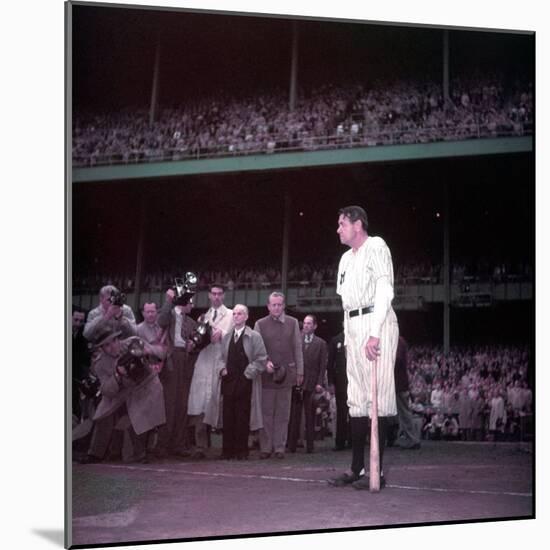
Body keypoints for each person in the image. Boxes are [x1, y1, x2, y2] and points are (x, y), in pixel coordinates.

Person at [329, 205, 399, 490]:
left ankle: (376, 471)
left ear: (357, 224)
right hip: (353, 324)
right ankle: (357, 468)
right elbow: (345, 304)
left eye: (342, 223)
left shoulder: (377, 245)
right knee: (356, 398)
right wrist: (349, 337)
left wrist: (374, 334)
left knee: (377, 396)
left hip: (376, 321)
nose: (338, 229)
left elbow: (385, 289)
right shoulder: (345, 259)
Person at [79, 328, 165, 464]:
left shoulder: (134, 343)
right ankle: (94, 453)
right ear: (102, 348)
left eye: (113, 342)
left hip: (145, 388)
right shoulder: (100, 364)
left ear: (117, 339)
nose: (111, 347)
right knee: (102, 416)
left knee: (138, 417)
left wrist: (148, 351)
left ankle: (140, 453)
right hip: (120, 393)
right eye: (106, 345)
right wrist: (117, 375)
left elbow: (161, 352)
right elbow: (106, 390)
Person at [206, 304, 267, 459]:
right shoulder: (226, 337)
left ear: (246, 317)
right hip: (228, 381)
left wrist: (249, 373)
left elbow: (261, 359)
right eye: (234, 314)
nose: (236, 316)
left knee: (242, 417)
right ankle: (227, 451)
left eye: (240, 314)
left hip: (245, 382)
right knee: (228, 417)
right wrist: (222, 369)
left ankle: (241, 451)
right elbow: (219, 358)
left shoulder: (254, 336)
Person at [254, 292, 304, 459]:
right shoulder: (259, 324)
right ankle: (266, 447)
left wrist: (300, 372)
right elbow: (256, 349)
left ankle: (279, 448)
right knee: (266, 413)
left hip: (287, 375)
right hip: (266, 375)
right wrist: (264, 362)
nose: (276, 307)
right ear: (268, 306)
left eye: (279, 304)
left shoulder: (293, 323)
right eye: (273, 304)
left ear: (283, 306)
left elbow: (298, 348)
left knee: (283, 413)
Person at [187, 284, 233, 459]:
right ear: (208, 295)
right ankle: (200, 446)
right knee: (200, 404)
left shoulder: (230, 315)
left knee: (217, 404)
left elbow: (233, 334)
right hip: (204, 361)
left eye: (219, 294)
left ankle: (227, 446)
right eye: (213, 294)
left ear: (224, 296)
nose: (216, 297)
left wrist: (222, 333)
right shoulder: (203, 317)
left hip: (221, 361)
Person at [155, 289, 198, 459]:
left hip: (184, 360)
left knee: (182, 404)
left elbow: (197, 340)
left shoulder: (191, 322)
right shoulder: (170, 314)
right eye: (191, 302)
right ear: (185, 303)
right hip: (170, 359)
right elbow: (161, 320)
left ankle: (178, 445)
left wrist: (193, 345)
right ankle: (162, 445)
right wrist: (168, 300)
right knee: (169, 404)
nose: (193, 305)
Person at [288, 315, 327, 454]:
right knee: (294, 416)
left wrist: (319, 383)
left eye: (309, 323)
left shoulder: (321, 343)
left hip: (311, 384)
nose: (306, 326)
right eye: (304, 323)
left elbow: (323, 366)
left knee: (310, 416)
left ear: (315, 326)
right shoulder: (296, 340)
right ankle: (291, 446)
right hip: (296, 383)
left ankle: (310, 446)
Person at [394, 336, 421, 450]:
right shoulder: (398, 340)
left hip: (399, 383)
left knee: (404, 412)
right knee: (397, 414)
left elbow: (397, 359)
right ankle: (400, 437)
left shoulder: (397, 341)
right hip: (398, 383)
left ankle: (413, 439)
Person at [327, 330, 351, 451]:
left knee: (355, 412)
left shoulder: (357, 336)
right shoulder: (336, 340)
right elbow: (330, 363)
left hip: (355, 381)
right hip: (340, 382)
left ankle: (353, 441)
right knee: (341, 412)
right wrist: (330, 382)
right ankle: (340, 442)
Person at [136, 302, 166, 370]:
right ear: (143, 313)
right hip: (146, 368)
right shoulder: (137, 330)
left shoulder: (163, 327)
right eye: (147, 312)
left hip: (165, 367)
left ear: (157, 312)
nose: (150, 314)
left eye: (152, 311)